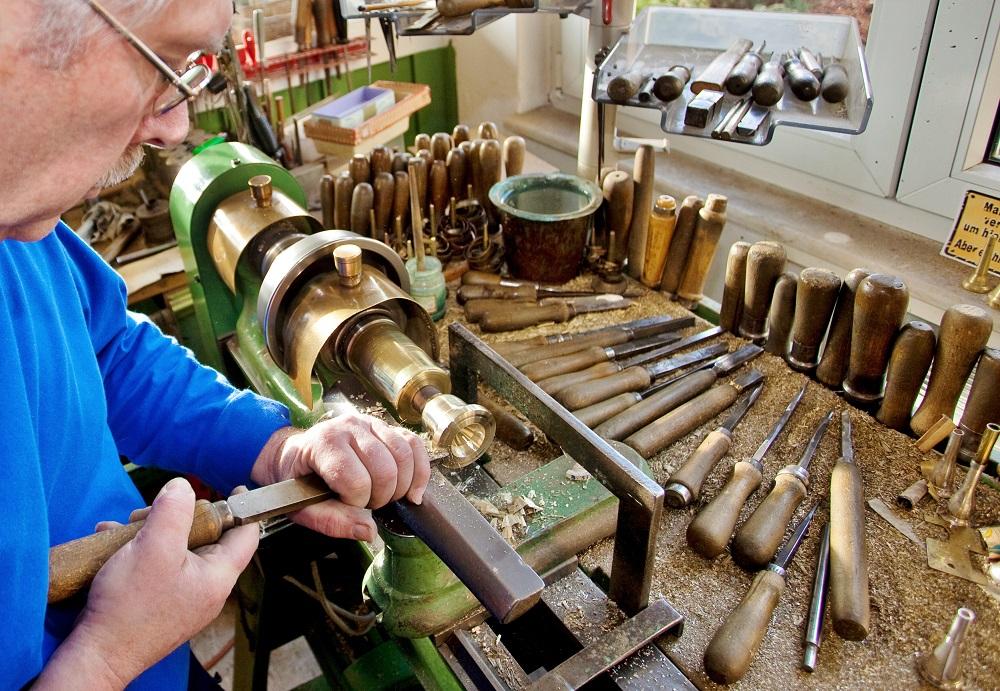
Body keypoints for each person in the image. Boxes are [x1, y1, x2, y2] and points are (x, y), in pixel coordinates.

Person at [0, 1, 431, 687]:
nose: (175, 125)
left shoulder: (20, 220)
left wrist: (275, 447)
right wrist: (105, 656)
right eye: (168, 62)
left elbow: (108, 352)